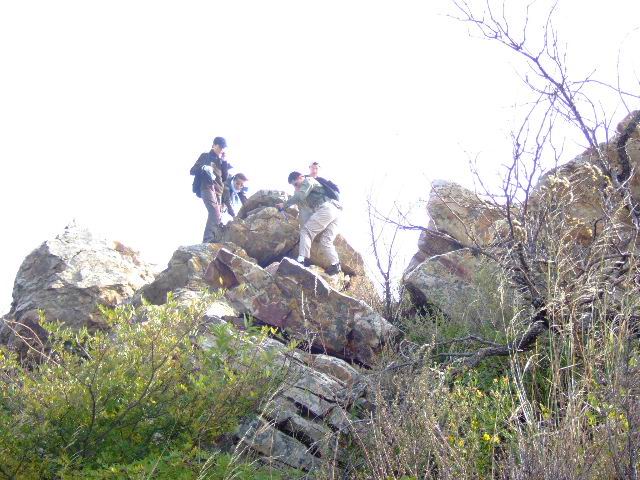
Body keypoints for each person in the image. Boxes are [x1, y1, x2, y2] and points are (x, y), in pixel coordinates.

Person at [276, 171, 342, 275]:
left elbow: (300, 196)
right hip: (335, 212)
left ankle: (301, 260)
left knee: (306, 231)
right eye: (294, 186)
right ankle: (336, 264)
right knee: (326, 241)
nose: (296, 187)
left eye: (296, 184)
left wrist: (284, 205)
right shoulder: (306, 191)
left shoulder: (308, 180)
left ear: (301, 177)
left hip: (327, 208)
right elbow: (303, 210)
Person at [190, 137, 232, 243]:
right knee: (214, 212)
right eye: (220, 147)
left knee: (218, 216)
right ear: (214, 145)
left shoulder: (221, 161)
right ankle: (207, 241)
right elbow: (192, 170)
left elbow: (224, 178)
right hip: (207, 187)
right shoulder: (206, 156)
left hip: (219, 192)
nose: (222, 149)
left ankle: (214, 238)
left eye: (223, 148)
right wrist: (203, 168)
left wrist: (224, 162)